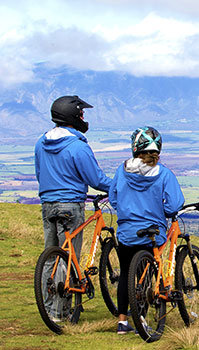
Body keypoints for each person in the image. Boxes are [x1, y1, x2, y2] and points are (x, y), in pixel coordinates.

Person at [35, 95, 112, 321]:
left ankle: (49, 309)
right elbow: (95, 178)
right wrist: (118, 186)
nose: (83, 117)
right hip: (70, 205)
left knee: (51, 257)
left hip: (48, 204)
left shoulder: (41, 142)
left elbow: (40, 174)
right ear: (73, 116)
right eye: (81, 113)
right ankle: (61, 313)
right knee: (68, 257)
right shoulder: (77, 146)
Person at [109, 126, 184, 334]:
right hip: (153, 233)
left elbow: (113, 198)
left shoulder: (121, 170)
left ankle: (122, 322)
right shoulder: (164, 174)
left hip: (126, 232)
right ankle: (143, 318)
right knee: (148, 275)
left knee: (125, 274)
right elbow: (174, 206)